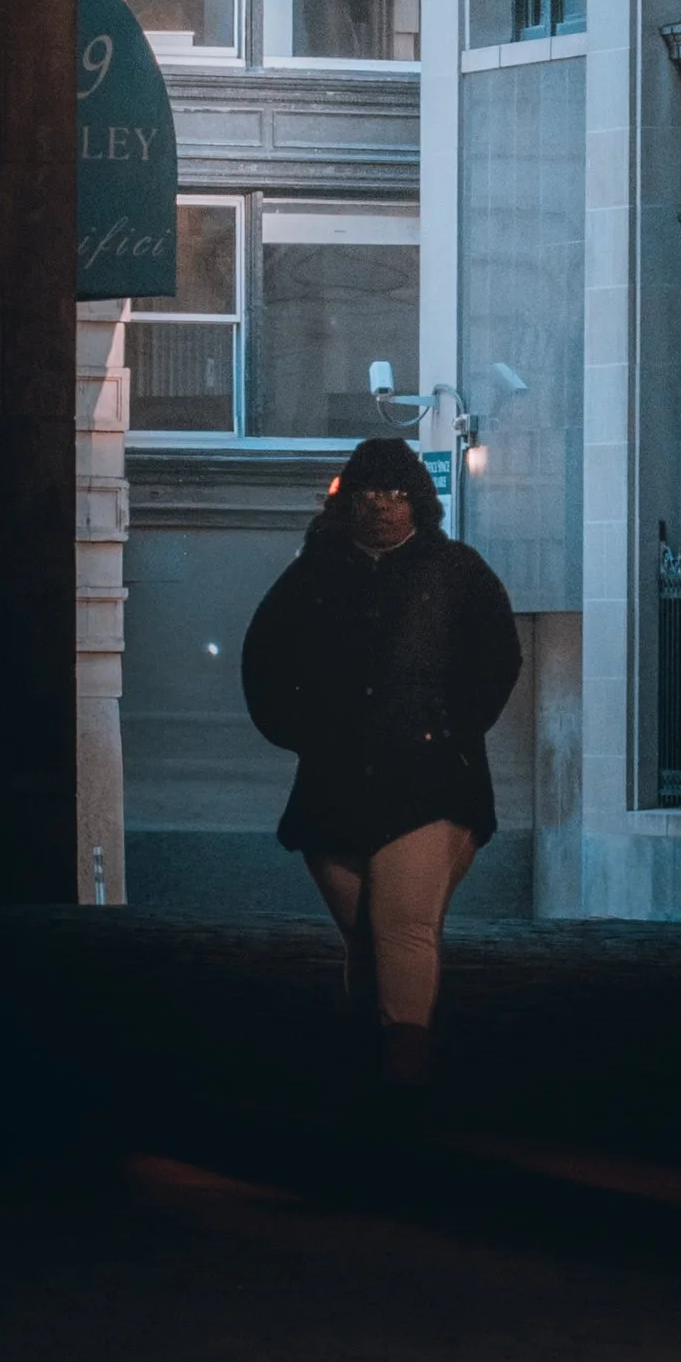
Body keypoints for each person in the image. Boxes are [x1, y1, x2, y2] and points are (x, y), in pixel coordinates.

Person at [241, 434, 523, 1089]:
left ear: (418, 500)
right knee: (367, 933)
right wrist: (301, 730)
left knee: (400, 925)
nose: (383, 506)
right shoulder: (313, 574)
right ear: (349, 498)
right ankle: (369, 1061)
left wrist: (449, 727)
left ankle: (403, 1068)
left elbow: (497, 658)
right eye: (370, 492)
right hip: (334, 787)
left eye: (397, 493)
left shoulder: (457, 571)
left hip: (431, 784)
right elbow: (266, 658)